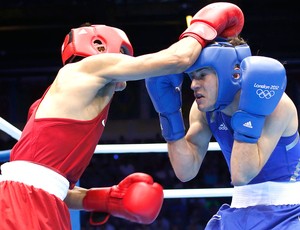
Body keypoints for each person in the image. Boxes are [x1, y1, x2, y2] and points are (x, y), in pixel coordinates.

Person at [0, 2, 245, 229]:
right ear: (98, 46)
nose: (125, 62)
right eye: (124, 53)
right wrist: (203, 27)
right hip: (24, 202)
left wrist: (107, 199)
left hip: (37, 201)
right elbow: (178, 59)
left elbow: (52, 186)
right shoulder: (87, 67)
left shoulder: (73, 96)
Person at [146, 31, 300, 229]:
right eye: (192, 76)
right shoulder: (203, 110)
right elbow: (185, 171)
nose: (193, 85)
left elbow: (241, 175)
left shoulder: (277, 105)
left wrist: (248, 114)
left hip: (290, 212)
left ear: (232, 74)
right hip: (240, 209)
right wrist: (169, 115)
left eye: (202, 75)